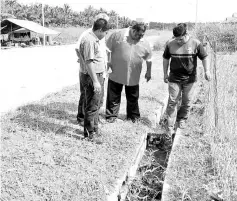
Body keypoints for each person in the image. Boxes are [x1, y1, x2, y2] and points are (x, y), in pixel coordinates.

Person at [162, 23, 211, 136]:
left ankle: (182, 119)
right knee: (172, 101)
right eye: (176, 39)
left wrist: (207, 70)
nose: (178, 41)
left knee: (187, 101)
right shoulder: (170, 44)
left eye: (180, 39)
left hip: (190, 79)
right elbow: (165, 59)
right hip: (174, 77)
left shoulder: (196, 43)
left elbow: (204, 57)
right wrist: (165, 73)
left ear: (186, 34)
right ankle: (170, 126)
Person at [105, 22, 152, 123]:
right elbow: (107, 49)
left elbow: (149, 58)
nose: (140, 37)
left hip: (133, 75)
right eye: (138, 35)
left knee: (133, 97)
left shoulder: (144, 42)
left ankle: (133, 117)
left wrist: (149, 72)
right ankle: (111, 116)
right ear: (133, 30)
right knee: (113, 96)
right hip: (116, 72)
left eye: (142, 35)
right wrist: (108, 63)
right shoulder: (118, 35)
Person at [78, 18, 110, 140]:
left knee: (95, 104)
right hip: (92, 76)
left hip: (97, 75)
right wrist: (96, 81)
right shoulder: (89, 40)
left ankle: (95, 129)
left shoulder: (93, 39)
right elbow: (89, 62)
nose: (105, 35)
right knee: (91, 105)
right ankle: (89, 134)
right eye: (105, 32)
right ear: (101, 30)